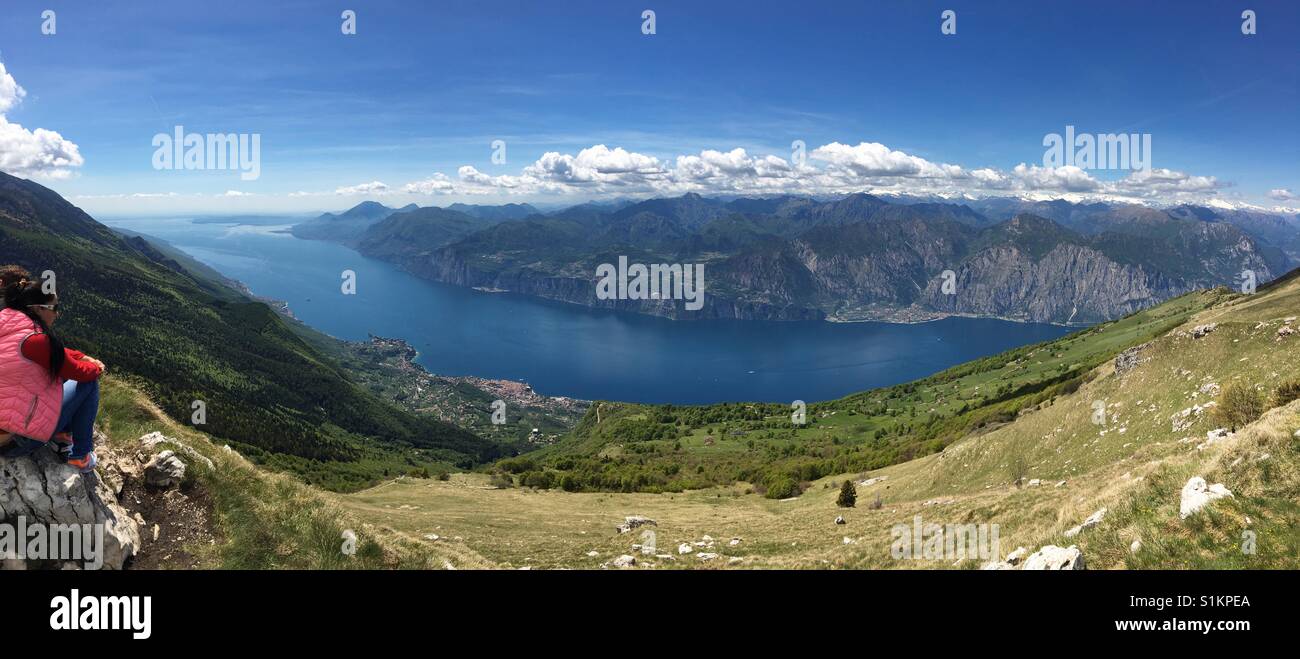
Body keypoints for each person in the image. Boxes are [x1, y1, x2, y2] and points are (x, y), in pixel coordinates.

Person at [0, 266, 105, 473]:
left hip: (4, 430)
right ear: (37, 308)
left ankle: (63, 435)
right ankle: (81, 455)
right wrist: (96, 367)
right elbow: (77, 372)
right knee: (88, 382)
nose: (57, 314)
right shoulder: (36, 341)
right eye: (54, 308)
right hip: (15, 441)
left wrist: (80, 355)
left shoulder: (9, 323)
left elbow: (56, 353)